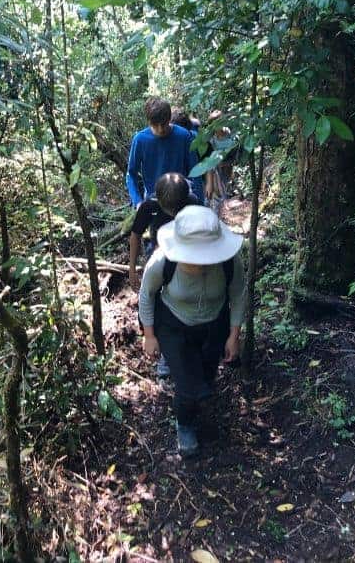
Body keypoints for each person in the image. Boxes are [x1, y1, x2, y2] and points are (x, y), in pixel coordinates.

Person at [138, 205, 245, 457]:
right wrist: (150, 336)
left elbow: (238, 293)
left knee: (207, 376)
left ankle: (198, 397)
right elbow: (146, 295)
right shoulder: (161, 262)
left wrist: (233, 335)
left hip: (215, 323)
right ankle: (184, 424)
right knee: (187, 387)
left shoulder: (229, 262)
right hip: (173, 324)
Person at [129, 173, 201, 378]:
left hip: (186, 257)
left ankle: (191, 347)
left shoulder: (192, 203)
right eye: (168, 209)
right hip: (158, 257)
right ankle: (164, 353)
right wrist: (132, 268)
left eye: (175, 210)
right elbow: (135, 236)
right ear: (159, 200)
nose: (172, 213)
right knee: (156, 301)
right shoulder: (148, 206)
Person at [126, 98, 204, 209]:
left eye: (163, 124)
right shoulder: (140, 140)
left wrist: (200, 202)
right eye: (155, 125)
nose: (160, 129)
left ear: (169, 119)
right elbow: (131, 174)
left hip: (182, 198)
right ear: (149, 122)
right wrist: (137, 201)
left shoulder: (184, 136)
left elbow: (195, 171)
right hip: (154, 200)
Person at [204, 110, 238, 212]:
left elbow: (236, 156)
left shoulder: (232, 136)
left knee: (223, 194)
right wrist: (209, 183)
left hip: (228, 170)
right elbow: (209, 162)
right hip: (214, 172)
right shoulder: (211, 140)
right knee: (214, 194)